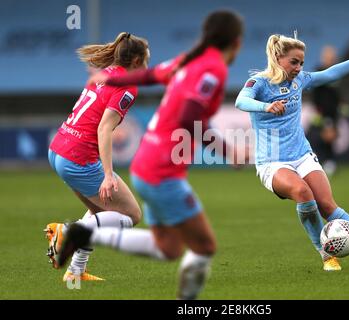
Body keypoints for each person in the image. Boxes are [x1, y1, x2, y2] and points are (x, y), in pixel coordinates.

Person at [57, 10, 245, 299]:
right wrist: (228, 151)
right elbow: (189, 117)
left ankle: (83, 238)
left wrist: (111, 81)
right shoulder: (214, 68)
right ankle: (83, 233)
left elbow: (153, 75)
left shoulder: (186, 60)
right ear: (237, 42)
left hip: (146, 164)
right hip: (162, 171)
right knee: (203, 246)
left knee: (167, 248)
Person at [234, 34, 349, 271]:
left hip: (302, 155)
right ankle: (327, 256)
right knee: (302, 192)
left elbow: (331, 73)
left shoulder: (301, 80)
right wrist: (266, 106)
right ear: (278, 58)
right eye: (294, 62)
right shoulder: (259, 83)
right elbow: (241, 101)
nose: (299, 68)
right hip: (272, 162)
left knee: (328, 206)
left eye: (301, 63)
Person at [46, 32, 149, 281]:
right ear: (136, 61)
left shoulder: (107, 71)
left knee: (100, 212)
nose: (148, 65)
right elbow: (105, 128)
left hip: (58, 149)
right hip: (78, 157)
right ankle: (68, 233)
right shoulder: (128, 86)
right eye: (147, 59)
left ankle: (76, 271)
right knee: (132, 215)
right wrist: (107, 175)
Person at [308, 45, 342, 176]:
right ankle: (325, 162)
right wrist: (318, 109)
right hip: (322, 111)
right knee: (321, 136)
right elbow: (316, 94)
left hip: (333, 112)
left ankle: (328, 162)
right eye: (328, 56)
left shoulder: (336, 72)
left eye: (332, 56)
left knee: (330, 137)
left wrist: (341, 104)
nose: (331, 58)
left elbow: (337, 94)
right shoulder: (318, 72)